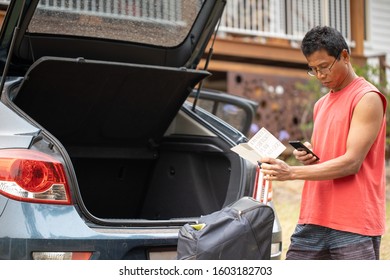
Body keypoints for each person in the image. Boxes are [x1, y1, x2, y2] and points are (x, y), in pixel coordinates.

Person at [259, 26, 387, 260]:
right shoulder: (321, 104)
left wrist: (291, 173)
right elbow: (328, 155)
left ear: (345, 56)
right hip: (313, 216)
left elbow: (351, 163)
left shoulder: (367, 98)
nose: (320, 75)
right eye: (313, 69)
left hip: (353, 222)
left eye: (324, 66)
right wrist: (309, 154)